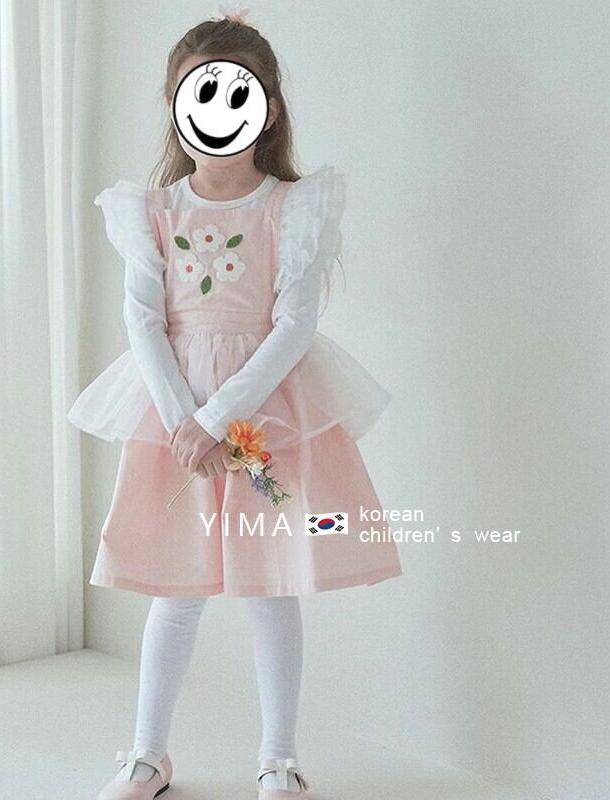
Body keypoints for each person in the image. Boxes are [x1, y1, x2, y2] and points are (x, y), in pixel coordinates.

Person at [68, 12, 402, 800]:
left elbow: (294, 325)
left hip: (267, 413)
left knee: (270, 584)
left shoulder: (293, 208)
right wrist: (184, 422)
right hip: (173, 411)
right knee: (174, 590)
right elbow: (143, 322)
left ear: (269, 109)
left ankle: (278, 758)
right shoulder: (152, 211)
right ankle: (148, 755)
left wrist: (218, 420)